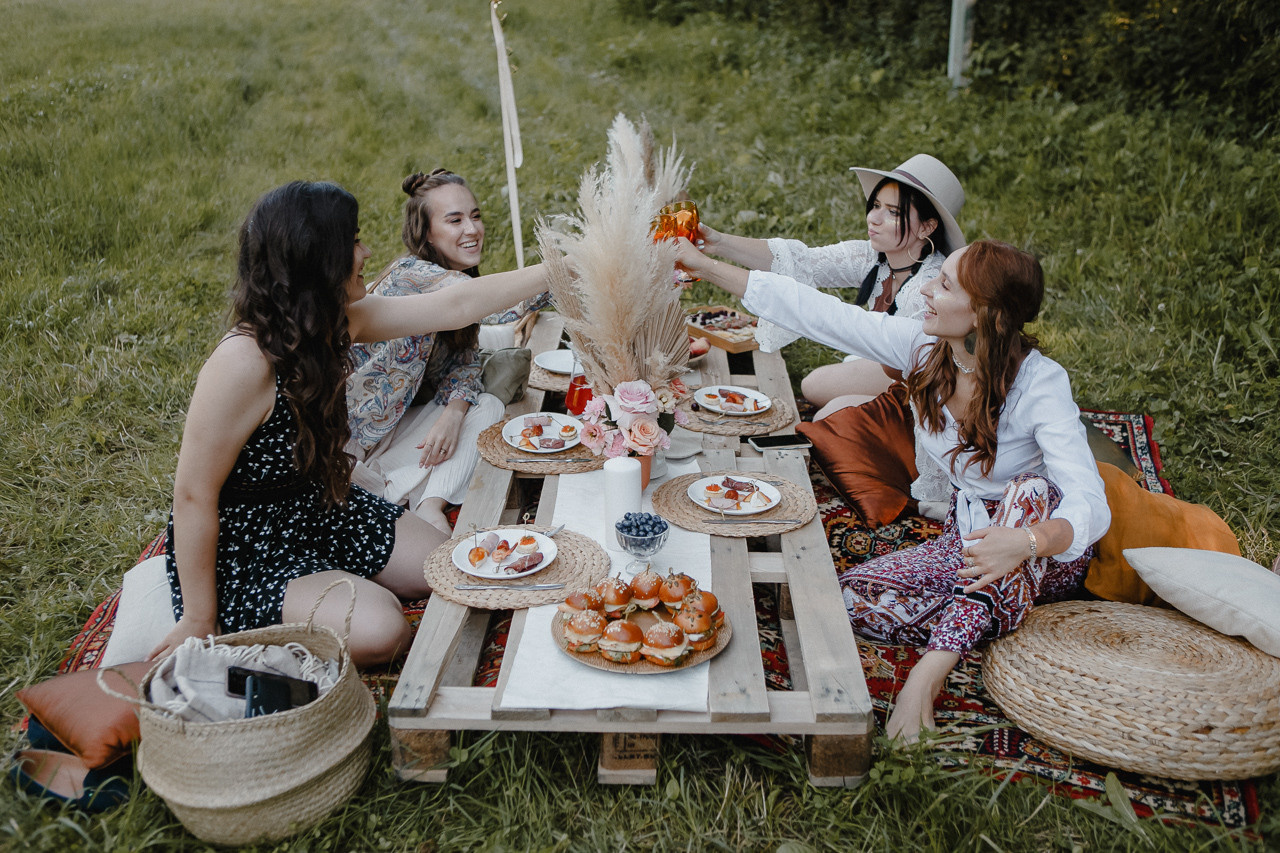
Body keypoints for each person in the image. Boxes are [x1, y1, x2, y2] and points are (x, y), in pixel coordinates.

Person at [674, 237, 1110, 741]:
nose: (926, 289)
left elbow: (1090, 503)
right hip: (968, 541)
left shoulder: (1041, 384)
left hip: (1045, 549)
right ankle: (993, 612)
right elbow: (817, 312)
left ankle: (927, 676)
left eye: (944, 284)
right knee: (852, 600)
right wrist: (703, 265)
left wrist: (1027, 542)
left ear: (983, 314)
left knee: (1030, 489)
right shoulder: (926, 350)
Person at [147, 181, 548, 668]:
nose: (366, 251)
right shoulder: (242, 362)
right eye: (353, 242)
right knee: (385, 629)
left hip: (317, 505)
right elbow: (192, 495)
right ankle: (302, 600)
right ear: (319, 260)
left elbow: (455, 306)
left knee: (443, 562)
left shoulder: (337, 320)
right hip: (251, 548)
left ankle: (331, 583)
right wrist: (197, 619)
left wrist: (557, 271)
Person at [346, 169, 548, 533]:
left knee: (485, 405)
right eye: (454, 220)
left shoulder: (458, 283)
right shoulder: (412, 274)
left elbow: (465, 365)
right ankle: (383, 494)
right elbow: (503, 309)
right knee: (481, 410)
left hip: (390, 433)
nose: (471, 230)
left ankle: (427, 504)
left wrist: (453, 415)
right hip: (350, 442)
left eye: (475, 216)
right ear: (425, 233)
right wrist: (576, 267)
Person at [695, 153, 964, 418]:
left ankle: (890, 414)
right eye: (876, 205)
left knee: (826, 402)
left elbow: (922, 365)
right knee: (816, 388)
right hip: (884, 365)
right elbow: (802, 260)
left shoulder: (929, 284)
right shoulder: (875, 258)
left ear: (926, 228)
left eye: (893, 212)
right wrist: (718, 243)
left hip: (925, 384)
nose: (874, 218)